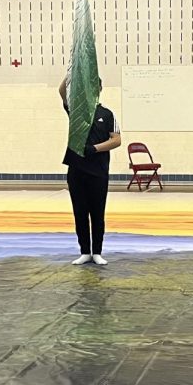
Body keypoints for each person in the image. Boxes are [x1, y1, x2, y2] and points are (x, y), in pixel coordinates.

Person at [59, 76, 122, 266]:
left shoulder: (107, 114)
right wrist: (74, 72)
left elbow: (117, 140)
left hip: (98, 171)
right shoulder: (77, 111)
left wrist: (95, 148)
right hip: (77, 169)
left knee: (97, 212)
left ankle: (98, 252)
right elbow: (62, 91)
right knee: (80, 212)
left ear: (99, 89)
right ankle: (84, 251)